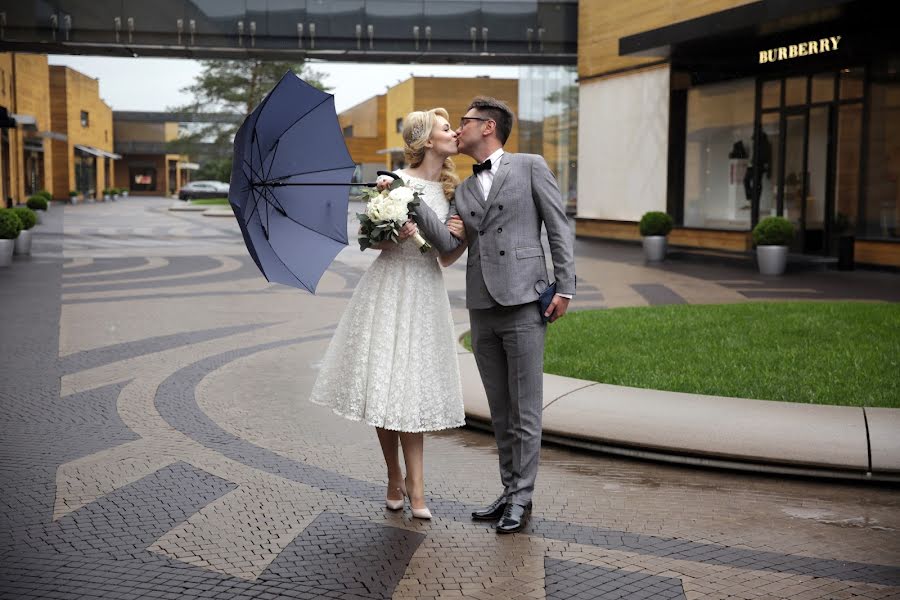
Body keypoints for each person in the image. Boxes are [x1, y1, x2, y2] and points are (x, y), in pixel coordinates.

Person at [410, 97, 576, 534]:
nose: (457, 129)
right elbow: (448, 248)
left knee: (525, 408)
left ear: (486, 127)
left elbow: (558, 227)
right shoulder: (462, 191)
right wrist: (410, 203)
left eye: (462, 123)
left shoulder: (530, 165)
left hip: (525, 299)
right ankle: (508, 492)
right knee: (501, 409)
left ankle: (523, 496)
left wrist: (566, 287)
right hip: (482, 305)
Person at [308, 108, 467, 520]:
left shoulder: (455, 193)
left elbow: (447, 258)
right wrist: (388, 225)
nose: (454, 133)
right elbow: (369, 241)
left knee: (411, 390)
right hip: (388, 288)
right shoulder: (392, 183)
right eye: (446, 129)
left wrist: (419, 239)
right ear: (428, 141)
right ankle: (393, 474)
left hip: (424, 293)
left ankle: (417, 488)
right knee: (385, 386)